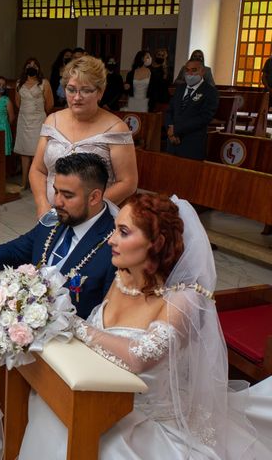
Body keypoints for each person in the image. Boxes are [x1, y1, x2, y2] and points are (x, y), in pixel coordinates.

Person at [18, 193, 272, 459]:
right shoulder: (123, 279)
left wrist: (75, 326)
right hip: (101, 399)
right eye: (115, 229)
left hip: (148, 423)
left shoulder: (183, 299)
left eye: (124, 232)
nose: (112, 240)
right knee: (48, 408)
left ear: (157, 242)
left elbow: (140, 357)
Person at [0, 153, 116, 319]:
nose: (57, 202)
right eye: (56, 192)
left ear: (94, 197)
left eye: (67, 195)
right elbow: (18, 249)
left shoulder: (115, 244)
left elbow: (108, 315)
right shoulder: (55, 218)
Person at [29, 56, 137, 219]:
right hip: (51, 213)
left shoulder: (116, 128)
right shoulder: (53, 120)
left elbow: (128, 183)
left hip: (94, 216)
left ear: (100, 92)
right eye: (71, 89)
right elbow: (38, 170)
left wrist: (85, 209)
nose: (77, 97)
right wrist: (42, 204)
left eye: (86, 90)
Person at [165, 59, 219, 160]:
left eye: (194, 70)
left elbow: (204, 117)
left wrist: (176, 129)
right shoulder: (180, 89)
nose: (190, 73)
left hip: (192, 144)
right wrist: (170, 130)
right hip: (172, 142)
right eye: (187, 70)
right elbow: (169, 111)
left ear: (202, 72)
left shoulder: (210, 92)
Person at [14, 57, 54, 189]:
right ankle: (24, 181)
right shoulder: (19, 83)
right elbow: (18, 102)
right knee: (24, 152)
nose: (32, 67)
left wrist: (38, 113)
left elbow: (49, 104)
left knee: (37, 152)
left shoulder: (44, 83)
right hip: (24, 120)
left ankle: (36, 182)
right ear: (25, 68)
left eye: (34, 65)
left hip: (38, 121)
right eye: (29, 65)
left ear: (38, 68)